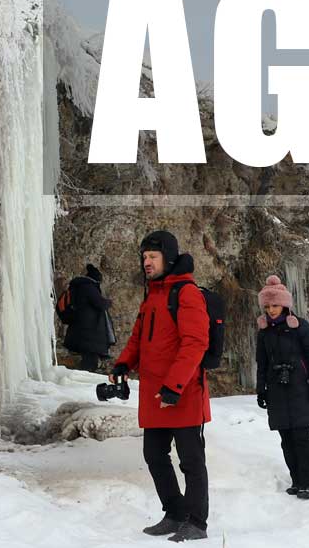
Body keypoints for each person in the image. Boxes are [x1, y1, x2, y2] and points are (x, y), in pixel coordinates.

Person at [110, 231, 210, 542]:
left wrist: (174, 386)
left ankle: (197, 522)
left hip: (183, 392)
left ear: (167, 257)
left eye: (152, 257)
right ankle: (175, 512)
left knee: (191, 461)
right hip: (156, 394)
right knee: (154, 455)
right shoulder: (153, 294)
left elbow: (195, 343)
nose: (147, 263)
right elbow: (139, 338)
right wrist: (124, 363)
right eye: (144, 258)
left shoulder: (187, 293)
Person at [255, 275, 309, 500]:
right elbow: (262, 362)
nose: (271, 310)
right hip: (277, 389)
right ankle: (297, 480)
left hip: (300, 388)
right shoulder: (264, 331)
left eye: (275, 305)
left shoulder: (300, 326)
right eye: (267, 306)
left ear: (284, 304)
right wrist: (261, 388)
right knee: (286, 438)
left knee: (302, 436)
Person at [64, 263, 115, 371]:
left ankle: (85, 376)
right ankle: (87, 378)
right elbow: (100, 303)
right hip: (88, 330)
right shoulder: (88, 287)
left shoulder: (80, 286)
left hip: (81, 327)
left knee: (87, 355)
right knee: (90, 358)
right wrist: (109, 302)